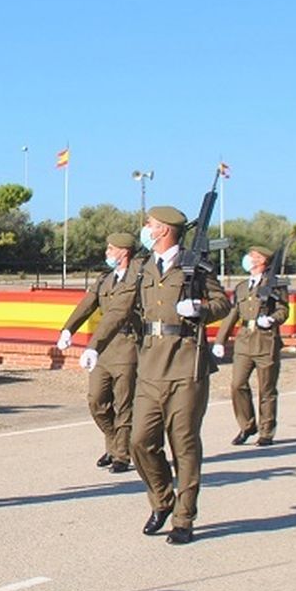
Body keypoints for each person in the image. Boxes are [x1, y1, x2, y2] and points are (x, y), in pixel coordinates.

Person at [87, 206, 229, 544]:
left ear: (164, 230)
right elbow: (120, 310)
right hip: (149, 364)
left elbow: (223, 304)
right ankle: (163, 498)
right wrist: (95, 344)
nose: (145, 229)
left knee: (184, 444)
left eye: (149, 224)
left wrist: (201, 309)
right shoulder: (144, 268)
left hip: (185, 364)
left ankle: (184, 517)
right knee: (140, 442)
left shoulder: (195, 266)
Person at [58, 232, 142, 473]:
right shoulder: (105, 279)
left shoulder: (137, 279)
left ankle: (121, 454)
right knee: (97, 400)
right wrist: (68, 329)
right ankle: (116, 442)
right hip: (103, 348)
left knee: (124, 402)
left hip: (127, 345)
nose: (107, 252)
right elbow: (87, 303)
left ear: (124, 252)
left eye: (111, 249)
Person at [213, 245, 289, 446]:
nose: (250, 258)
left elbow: (283, 311)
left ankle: (267, 431)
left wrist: (271, 320)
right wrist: (220, 340)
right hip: (244, 341)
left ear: (263, 261)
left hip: (265, 341)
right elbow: (233, 314)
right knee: (237, 385)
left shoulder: (275, 285)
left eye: (254, 256)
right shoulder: (242, 287)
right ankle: (247, 425)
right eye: (250, 255)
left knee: (267, 389)